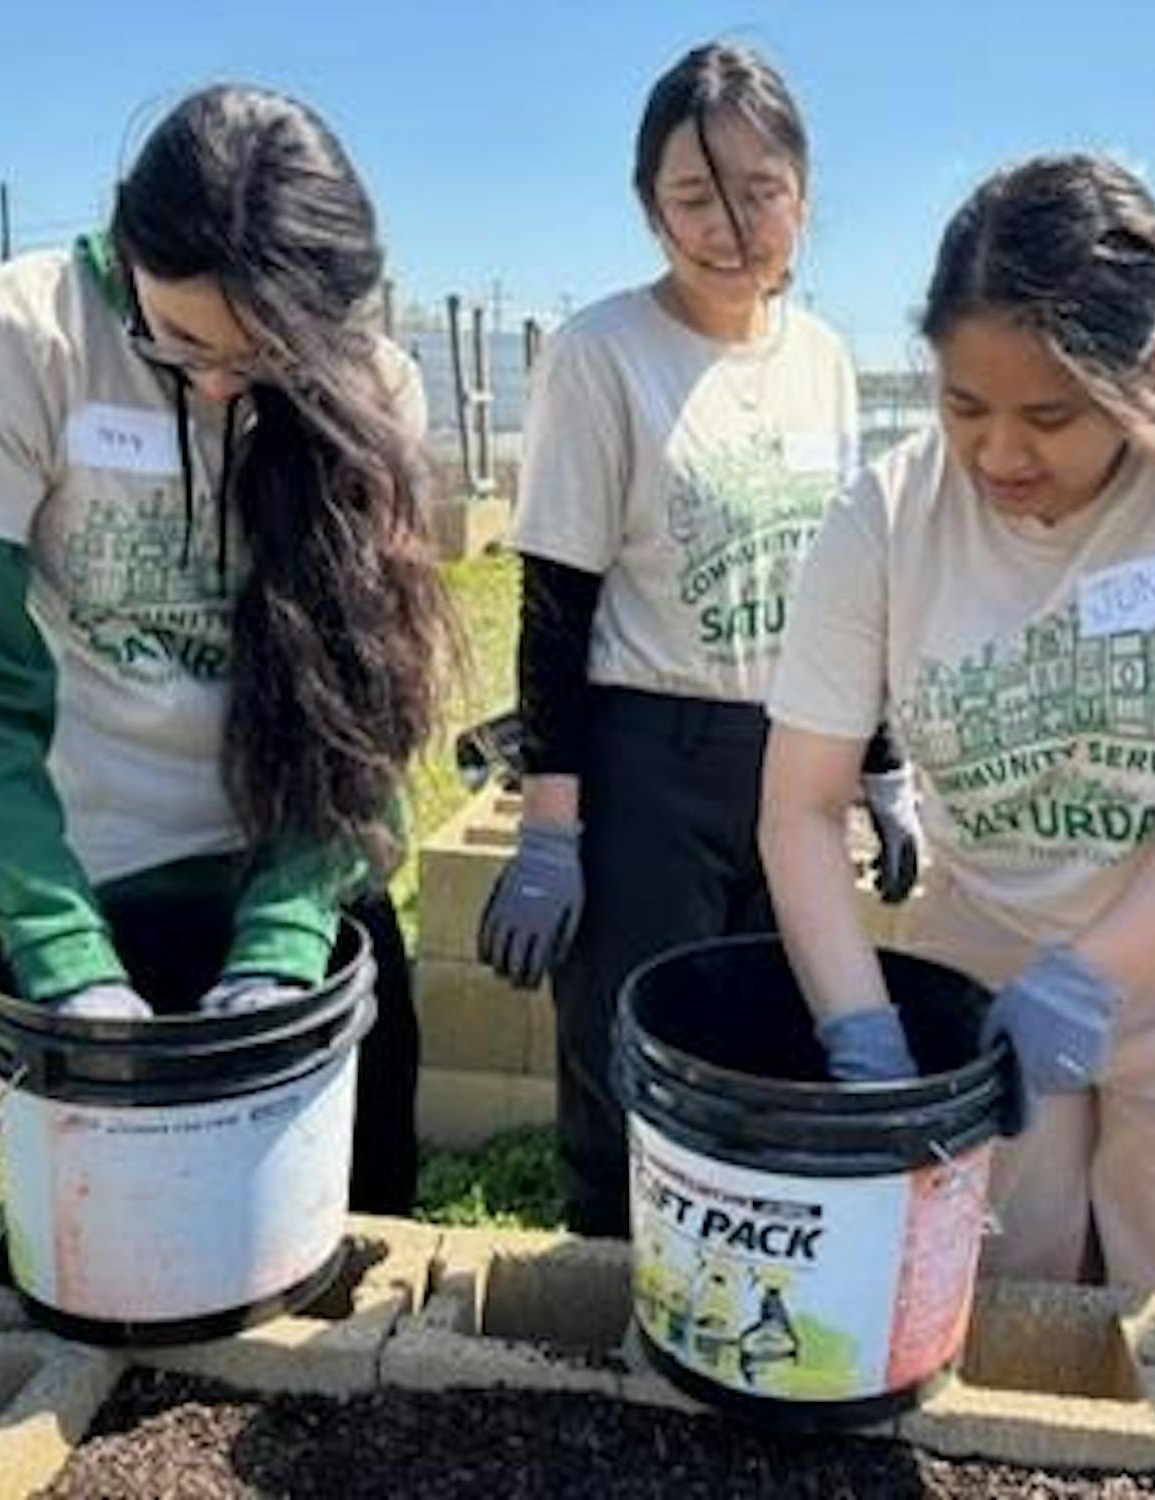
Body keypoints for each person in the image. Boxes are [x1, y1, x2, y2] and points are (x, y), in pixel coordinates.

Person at [761, 153, 1155, 1298]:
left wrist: (1092, 975)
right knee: (991, 1280)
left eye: (1049, 414)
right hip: (984, 948)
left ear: (1143, 370)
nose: (999, 453)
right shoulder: (886, 514)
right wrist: (860, 1027)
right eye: (963, 406)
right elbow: (799, 805)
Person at [0, 84, 450, 1215]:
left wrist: (287, 937)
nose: (220, 384)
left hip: (311, 880)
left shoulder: (372, 384)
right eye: (182, 341)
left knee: (352, 1223)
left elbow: (367, 690)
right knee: (135, 1253)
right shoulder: (20, 338)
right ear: (129, 245)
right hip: (108, 889)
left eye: (262, 360)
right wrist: (64, 960)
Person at [475, 41, 919, 1238]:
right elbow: (554, 606)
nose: (731, 226)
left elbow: (844, 588)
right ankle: (603, 1280)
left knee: (761, 1042)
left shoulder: (821, 361)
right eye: (693, 197)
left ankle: (730, 1278)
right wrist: (550, 835)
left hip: (791, 753)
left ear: (805, 195)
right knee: (626, 1051)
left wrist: (878, 764)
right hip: (643, 756)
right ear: (646, 206)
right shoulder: (602, 354)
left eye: (760, 191)